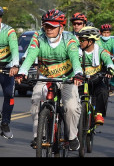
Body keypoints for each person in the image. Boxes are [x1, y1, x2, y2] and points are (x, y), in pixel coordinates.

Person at [15, 9, 84, 151]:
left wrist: (78, 73)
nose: (49, 29)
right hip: (45, 77)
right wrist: (22, 72)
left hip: (67, 78)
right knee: (35, 101)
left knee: (71, 107)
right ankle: (38, 136)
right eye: (46, 26)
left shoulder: (70, 40)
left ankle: (72, 136)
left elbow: (75, 59)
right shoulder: (38, 39)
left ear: (61, 27)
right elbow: (30, 56)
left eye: (53, 26)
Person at [78, 26, 114, 124]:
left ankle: (99, 114)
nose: (79, 42)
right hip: (80, 80)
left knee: (103, 92)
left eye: (82, 40)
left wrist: (110, 69)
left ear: (90, 41)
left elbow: (108, 60)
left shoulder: (100, 51)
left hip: (96, 80)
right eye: (79, 39)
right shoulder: (76, 51)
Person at [0, 6, 19, 139]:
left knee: (9, 95)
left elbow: (15, 50)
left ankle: (5, 122)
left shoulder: (9, 31)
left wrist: (15, 65)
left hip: (6, 66)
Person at [99, 24, 114, 92]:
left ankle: (112, 84)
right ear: (101, 33)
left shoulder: (113, 41)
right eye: (104, 32)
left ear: (110, 33)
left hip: (111, 59)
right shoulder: (98, 40)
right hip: (100, 59)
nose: (106, 34)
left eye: (107, 33)